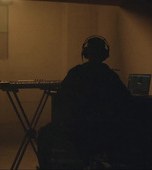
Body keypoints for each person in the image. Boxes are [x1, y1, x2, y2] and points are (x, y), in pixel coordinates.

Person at [37, 35, 139, 169]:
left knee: (43, 133)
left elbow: (60, 99)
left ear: (85, 53)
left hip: (75, 131)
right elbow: (127, 102)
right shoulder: (110, 76)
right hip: (104, 132)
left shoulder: (75, 73)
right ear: (105, 54)